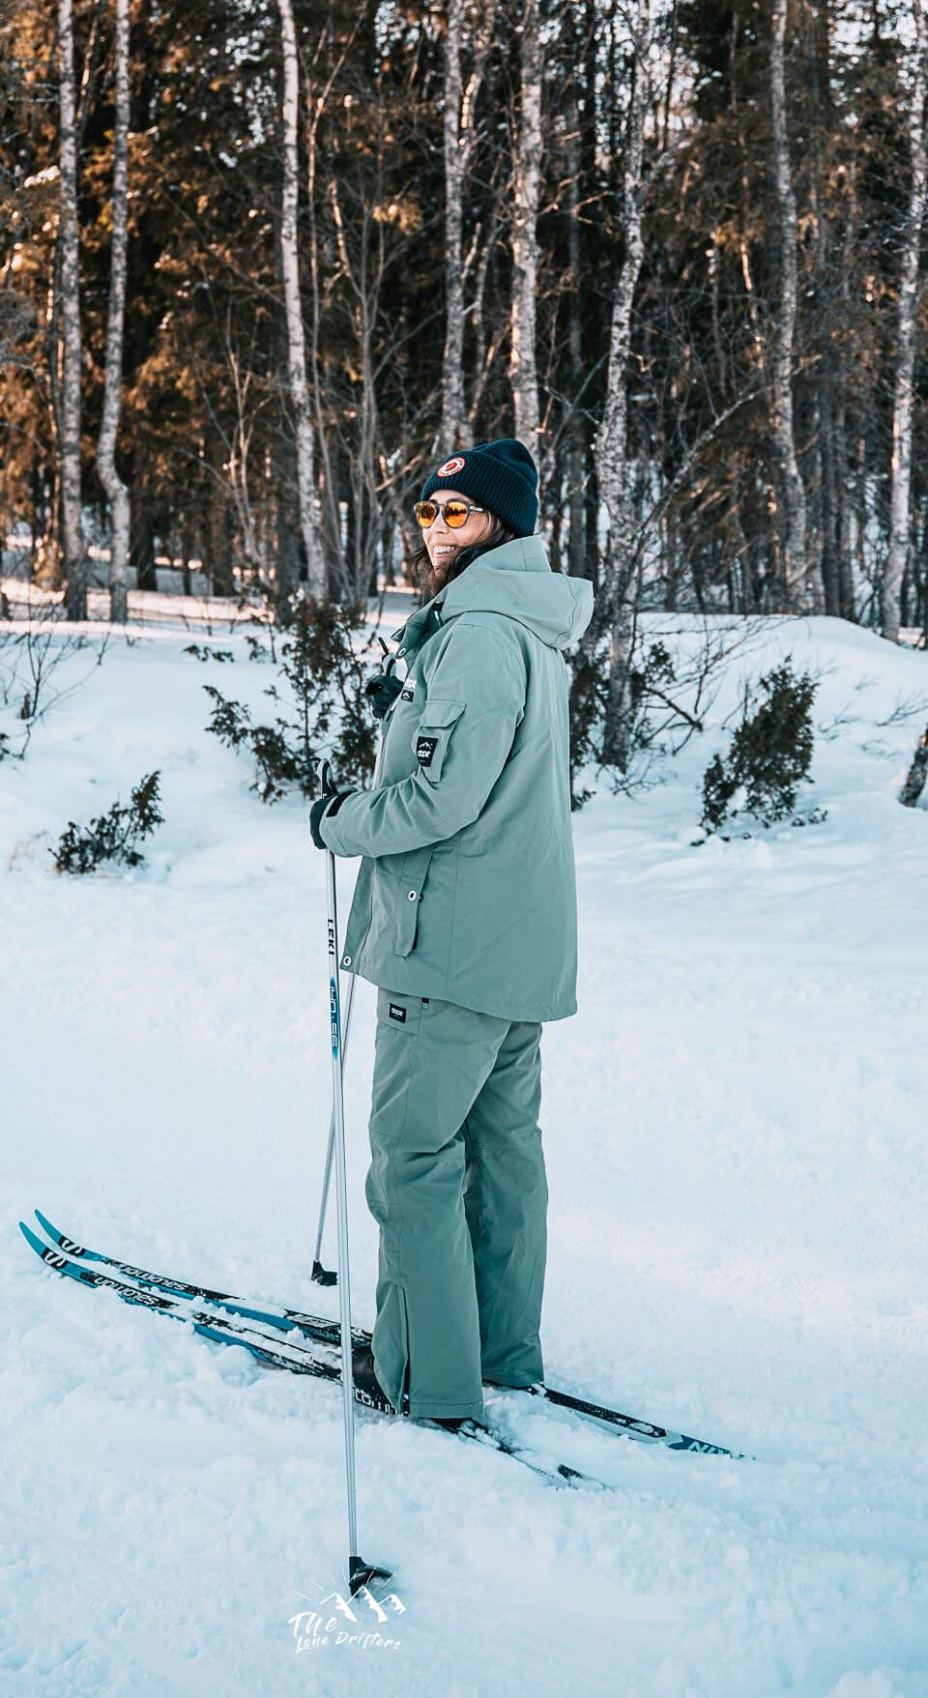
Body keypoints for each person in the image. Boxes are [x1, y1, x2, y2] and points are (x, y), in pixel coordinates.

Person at [309, 437, 593, 1429]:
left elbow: (441, 802)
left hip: (449, 947)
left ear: (499, 524)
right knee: (502, 1158)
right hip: (515, 946)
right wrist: (406, 712)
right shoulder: (523, 623)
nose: (435, 530)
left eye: (456, 514)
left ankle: (427, 1382)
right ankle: (502, 1355)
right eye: (427, 513)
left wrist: (340, 822)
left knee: (413, 1163)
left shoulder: (475, 630)